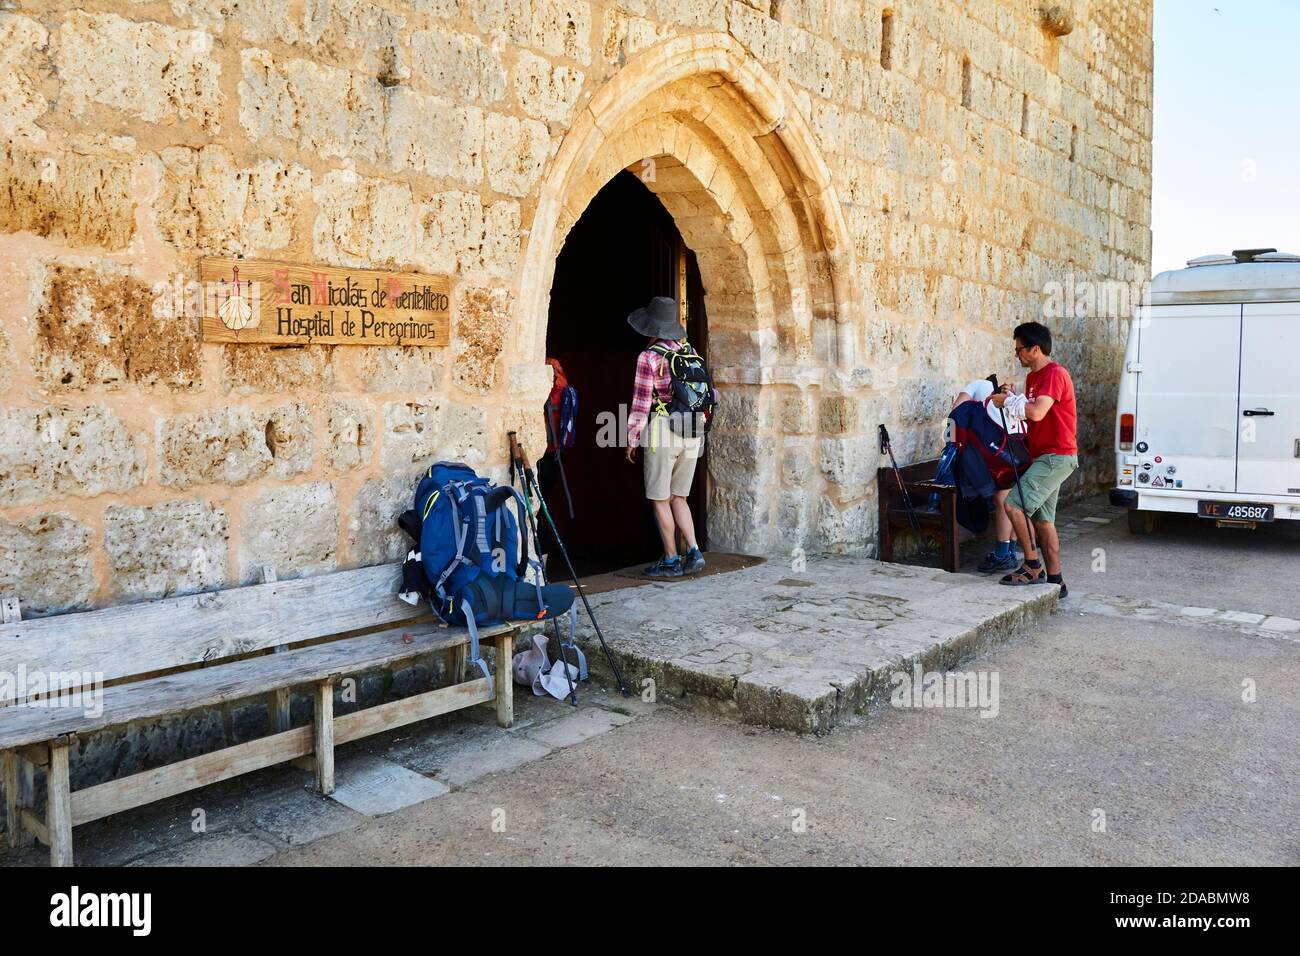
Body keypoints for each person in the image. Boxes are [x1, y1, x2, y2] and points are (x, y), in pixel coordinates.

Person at [990, 321, 1078, 596]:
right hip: (1046, 456)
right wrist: (1015, 398)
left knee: (1014, 504)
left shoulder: (1054, 374)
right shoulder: (1034, 378)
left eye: (1019, 350)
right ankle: (1056, 580)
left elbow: (1037, 412)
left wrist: (1007, 402)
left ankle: (1032, 566)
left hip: (1055, 456)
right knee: (1043, 520)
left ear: (1035, 349)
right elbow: (1034, 415)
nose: (1016, 355)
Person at [624, 296, 706, 578]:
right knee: (679, 496)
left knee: (660, 498)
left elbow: (641, 402)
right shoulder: (690, 351)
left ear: (650, 328)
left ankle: (671, 558)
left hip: (664, 429)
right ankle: (694, 550)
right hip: (693, 430)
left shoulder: (648, 357)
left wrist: (632, 438)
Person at [951, 378, 1026, 573]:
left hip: (993, 459)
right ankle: (1009, 551)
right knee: (1013, 499)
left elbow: (955, 413)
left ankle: (1001, 554)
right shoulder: (1005, 399)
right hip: (1015, 455)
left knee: (1003, 498)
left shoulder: (976, 386)